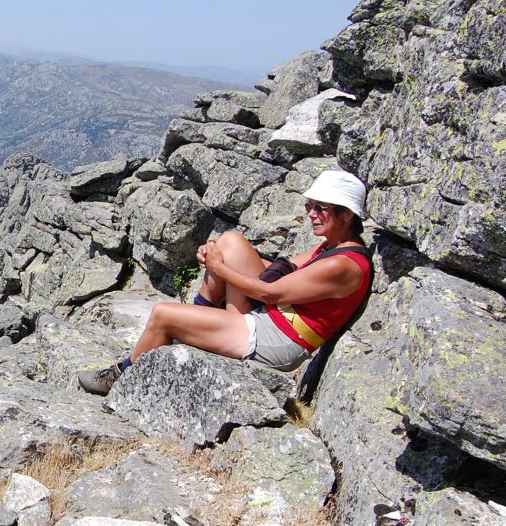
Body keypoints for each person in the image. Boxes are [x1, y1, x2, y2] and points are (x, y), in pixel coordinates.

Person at [78, 169, 372, 396]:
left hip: (279, 341)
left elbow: (270, 292)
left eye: (320, 207)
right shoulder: (332, 246)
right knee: (230, 242)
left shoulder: (342, 265)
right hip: (270, 319)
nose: (311, 213)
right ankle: (197, 322)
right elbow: (284, 268)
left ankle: (123, 376)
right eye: (309, 205)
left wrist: (219, 267)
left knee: (162, 315)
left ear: (346, 214)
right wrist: (220, 258)